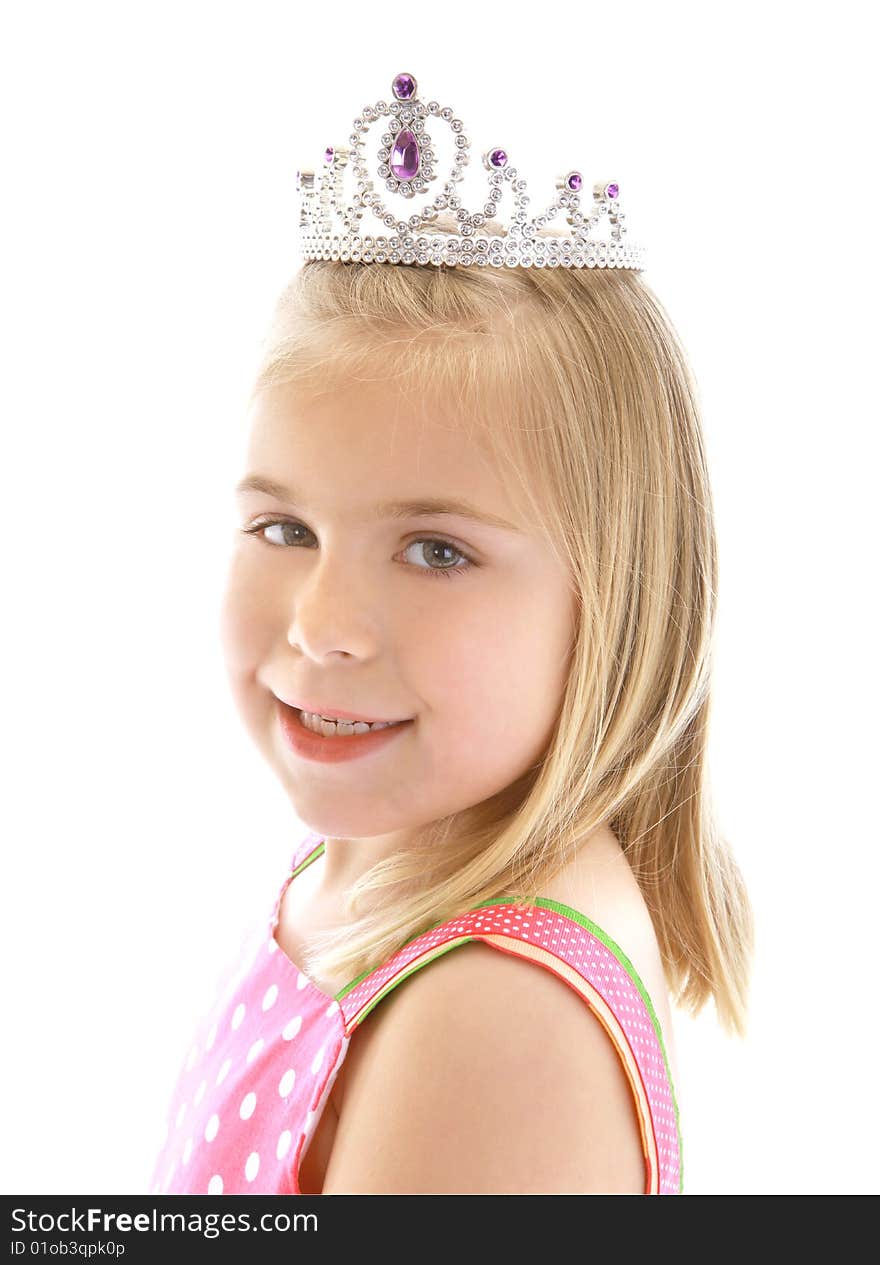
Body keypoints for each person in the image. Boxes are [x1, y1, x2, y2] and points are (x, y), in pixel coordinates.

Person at [149, 69, 753, 1197]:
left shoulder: (491, 1008)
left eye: (436, 550)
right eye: (283, 525)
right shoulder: (379, 861)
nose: (323, 625)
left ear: (619, 600)